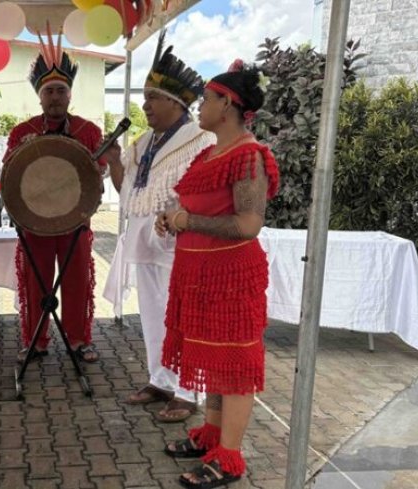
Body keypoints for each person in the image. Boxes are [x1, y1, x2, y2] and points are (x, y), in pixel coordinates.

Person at [157, 60, 279, 488]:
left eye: (207, 98)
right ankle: (211, 434)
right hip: (198, 274)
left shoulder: (249, 156)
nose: (200, 106)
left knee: (234, 365)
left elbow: (248, 224)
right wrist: (173, 220)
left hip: (230, 276)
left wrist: (188, 221)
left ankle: (229, 456)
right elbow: (195, 209)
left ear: (227, 104)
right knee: (212, 358)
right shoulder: (211, 153)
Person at [103, 43, 215, 423]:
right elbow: (128, 193)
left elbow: (205, 195)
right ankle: (160, 379)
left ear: (176, 103)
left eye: (153, 98)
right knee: (152, 315)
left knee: (183, 317)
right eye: (144, 98)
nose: (146, 106)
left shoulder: (201, 140)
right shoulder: (142, 144)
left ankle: (187, 392)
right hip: (144, 240)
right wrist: (116, 163)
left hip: (180, 244)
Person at [3, 32, 109, 363]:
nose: (55, 97)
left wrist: (98, 169)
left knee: (77, 282)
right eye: (49, 91)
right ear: (39, 96)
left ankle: (79, 340)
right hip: (34, 221)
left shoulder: (88, 131)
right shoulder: (22, 132)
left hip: (76, 221)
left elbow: (101, 174)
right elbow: (8, 175)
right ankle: (36, 341)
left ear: (70, 95)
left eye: (61, 90)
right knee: (36, 283)